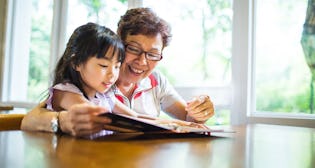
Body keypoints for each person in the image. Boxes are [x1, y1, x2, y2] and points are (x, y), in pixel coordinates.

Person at [21, 7, 214, 137]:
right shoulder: (80, 86)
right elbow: (32, 118)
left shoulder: (151, 81)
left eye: (153, 54)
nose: (142, 61)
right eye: (134, 49)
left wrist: (191, 119)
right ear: (119, 43)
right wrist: (60, 120)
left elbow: (136, 118)